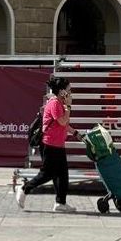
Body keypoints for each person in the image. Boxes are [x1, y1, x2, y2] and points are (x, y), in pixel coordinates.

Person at [16, 77, 77, 213]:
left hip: (58, 145)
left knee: (62, 175)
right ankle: (25, 188)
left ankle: (60, 203)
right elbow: (61, 121)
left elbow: (64, 125)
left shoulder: (60, 103)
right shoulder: (55, 103)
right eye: (69, 90)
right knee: (47, 174)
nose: (71, 92)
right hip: (50, 145)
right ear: (62, 91)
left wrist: (76, 133)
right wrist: (69, 106)